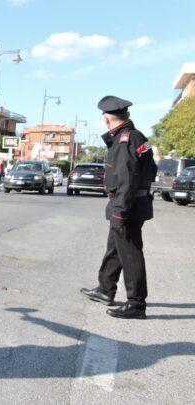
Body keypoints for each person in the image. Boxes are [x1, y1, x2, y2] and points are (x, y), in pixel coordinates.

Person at [80, 96, 156, 319]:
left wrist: (120, 210)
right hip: (129, 202)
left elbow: (127, 179)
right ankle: (105, 289)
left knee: (130, 253)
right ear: (126, 115)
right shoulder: (133, 136)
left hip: (127, 205)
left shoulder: (126, 141)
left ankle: (136, 304)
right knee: (115, 248)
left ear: (106, 119)